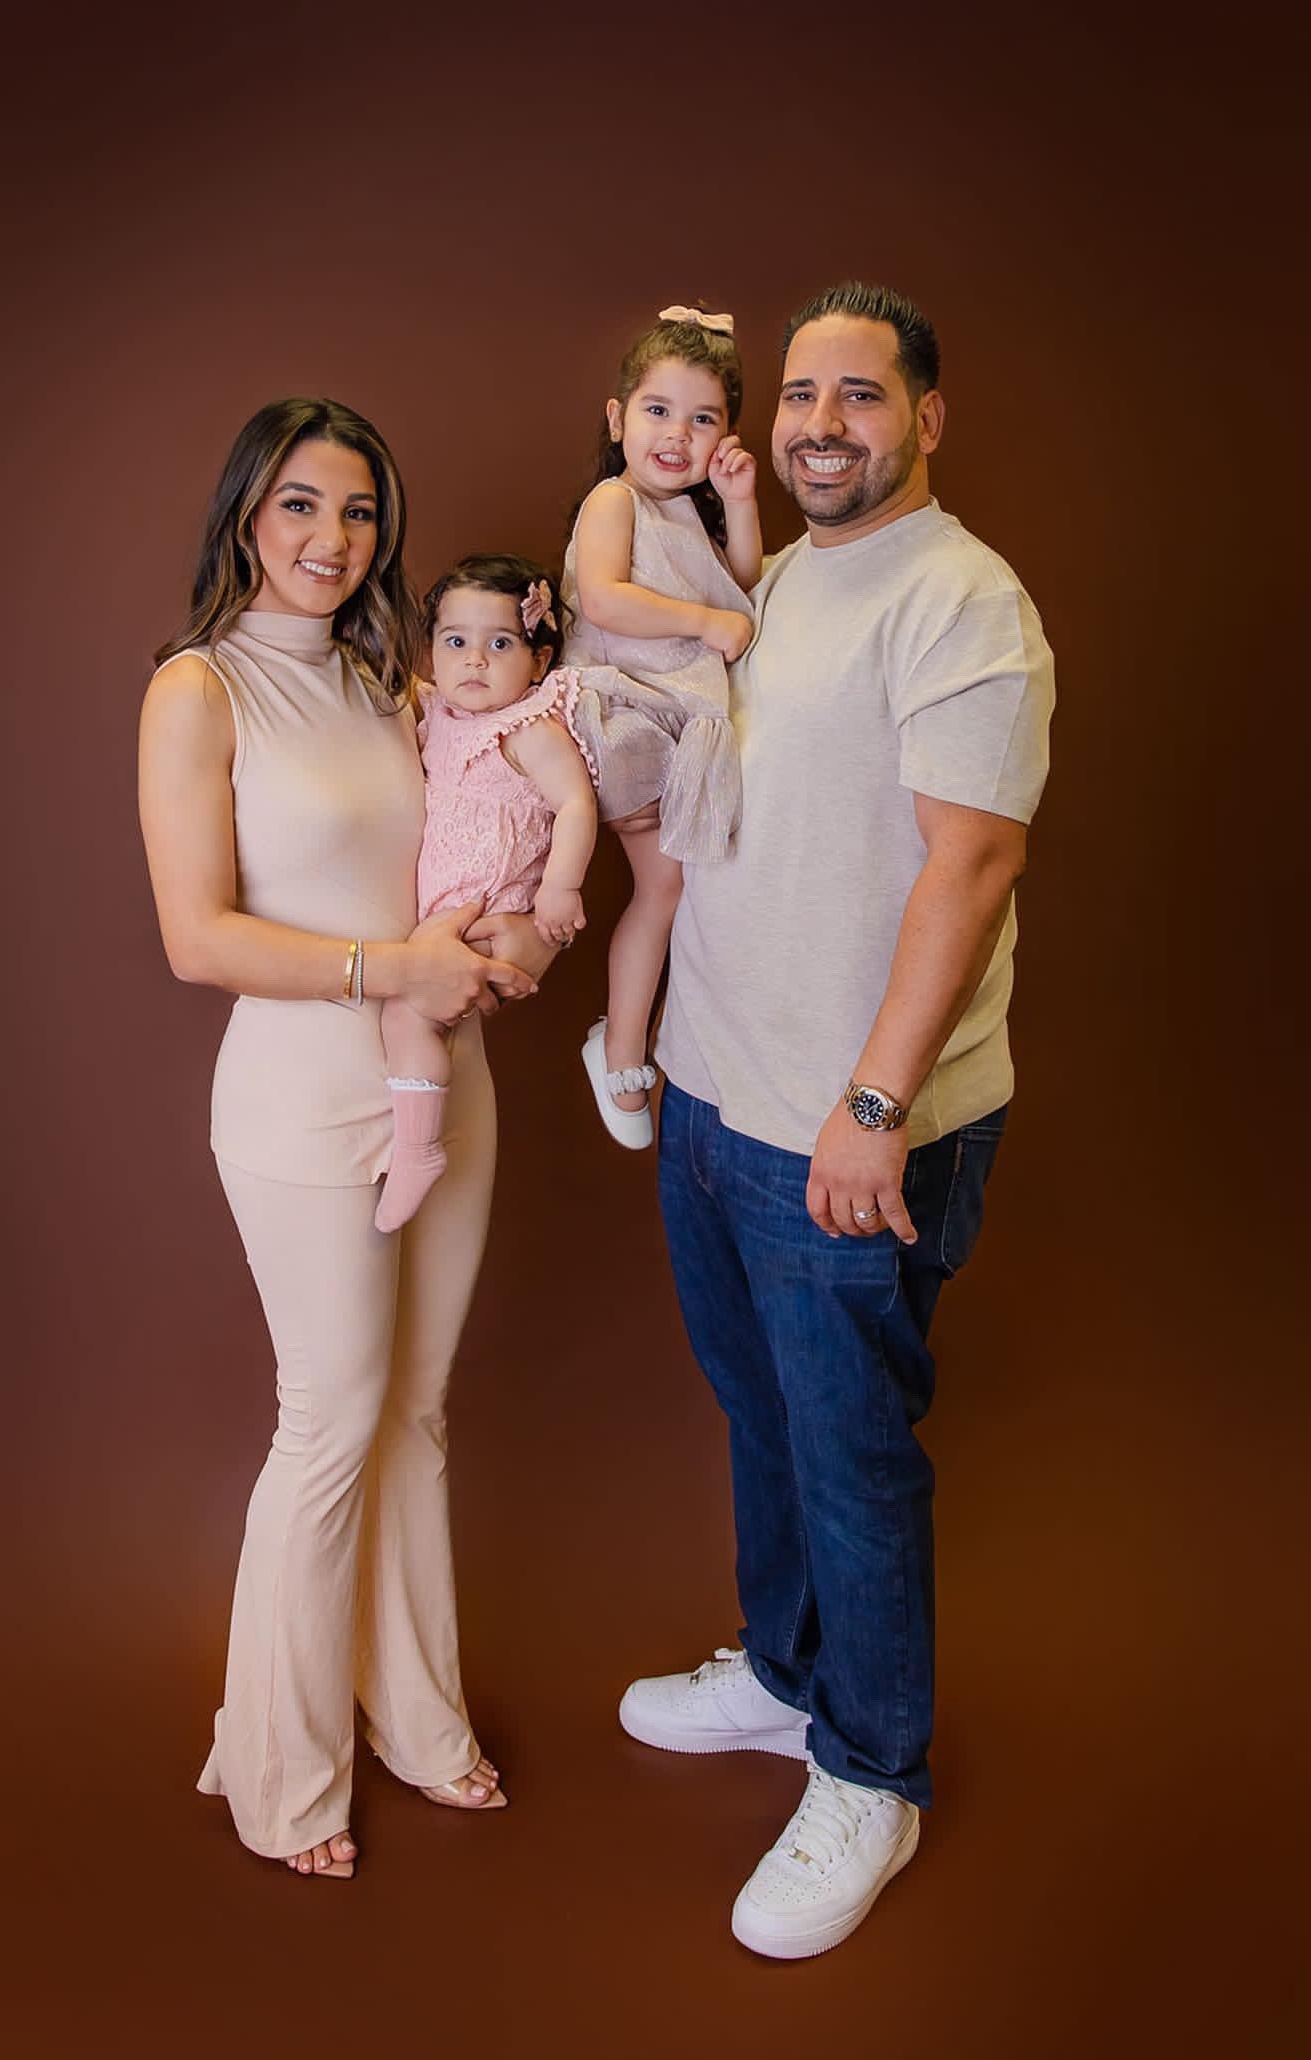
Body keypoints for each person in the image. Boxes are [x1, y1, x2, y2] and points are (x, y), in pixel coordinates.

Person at [618, 283, 1054, 1959]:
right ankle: (794, 1679)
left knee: (854, 1459)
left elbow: (975, 862)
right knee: (762, 1413)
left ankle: (871, 1770)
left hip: (852, 1131)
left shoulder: (961, 602)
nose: (819, 422)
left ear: (925, 418)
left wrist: (873, 1107)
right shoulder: (777, 582)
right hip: (723, 1097)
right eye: (799, 392)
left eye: (859, 396)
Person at [137, 397, 547, 1882]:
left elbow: (461, 845)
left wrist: (508, 933)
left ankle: (418, 1721)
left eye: (361, 511)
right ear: (248, 511)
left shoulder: (397, 678)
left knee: (418, 1414)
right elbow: (199, 939)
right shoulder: (198, 690)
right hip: (302, 1096)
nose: (333, 537)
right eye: (302, 504)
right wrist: (396, 969)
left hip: (449, 1075)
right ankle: (285, 1777)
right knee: (329, 1421)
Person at [560, 306, 761, 1149]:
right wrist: (706, 628)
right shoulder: (615, 499)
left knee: (674, 890)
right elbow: (604, 596)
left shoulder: (688, 512)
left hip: (674, 728)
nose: (677, 435)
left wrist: (739, 501)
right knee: (666, 889)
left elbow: (743, 583)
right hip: (624, 720)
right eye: (657, 410)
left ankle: (626, 1045)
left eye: (702, 417)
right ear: (617, 419)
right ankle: (621, 1053)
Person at [375, 556, 598, 1231]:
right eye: (455, 642)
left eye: (500, 644)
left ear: (538, 662)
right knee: (415, 1020)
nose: (474, 661)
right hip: (442, 910)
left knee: (406, 1017)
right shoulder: (438, 708)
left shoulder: (528, 727)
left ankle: (417, 1148)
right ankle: (416, 1130)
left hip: (487, 909)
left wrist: (560, 889)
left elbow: (577, 802)